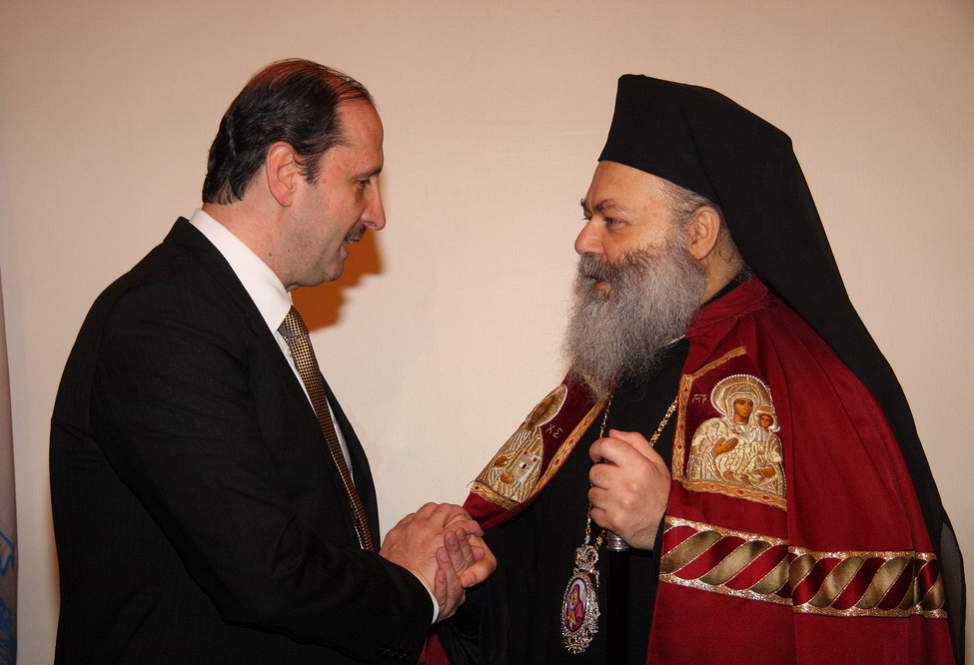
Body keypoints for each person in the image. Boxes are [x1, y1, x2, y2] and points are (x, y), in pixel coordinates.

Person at [432, 75, 963, 664]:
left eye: (612, 220)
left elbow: (853, 616)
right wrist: (477, 576)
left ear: (699, 233)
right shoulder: (610, 367)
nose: (583, 240)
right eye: (588, 216)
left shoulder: (801, 376)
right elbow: (542, 564)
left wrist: (670, 528)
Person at [50, 59, 494, 665]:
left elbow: (289, 535)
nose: (377, 214)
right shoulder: (165, 318)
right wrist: (412, 590)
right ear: (286, 173)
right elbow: (264, 571)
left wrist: (399, 560)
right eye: (362, 182)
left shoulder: (236, 316)